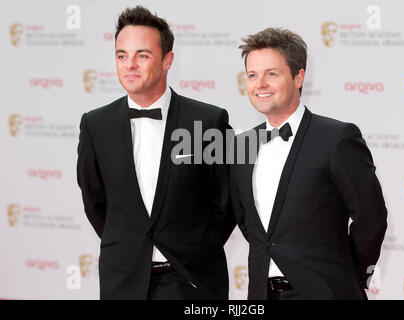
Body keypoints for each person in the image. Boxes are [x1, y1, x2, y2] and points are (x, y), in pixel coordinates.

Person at [77, 6, 235, 300]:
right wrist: (129, 245)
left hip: (191, 281)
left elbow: (226, 204)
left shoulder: (206, 121)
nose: (130, 65)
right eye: (121, 55)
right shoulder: (95, 124)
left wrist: (194, 246)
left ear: (167, 60)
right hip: (122, 280)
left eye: (142, 55)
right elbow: (95, 202)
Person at [230, 27, 387, 300]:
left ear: (299, 76)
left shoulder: (337, 138)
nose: (260, 84)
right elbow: (249, 224)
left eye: (271, 74)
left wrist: (351, 276)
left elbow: (370, 217)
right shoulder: (241, 145)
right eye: (252, 75)